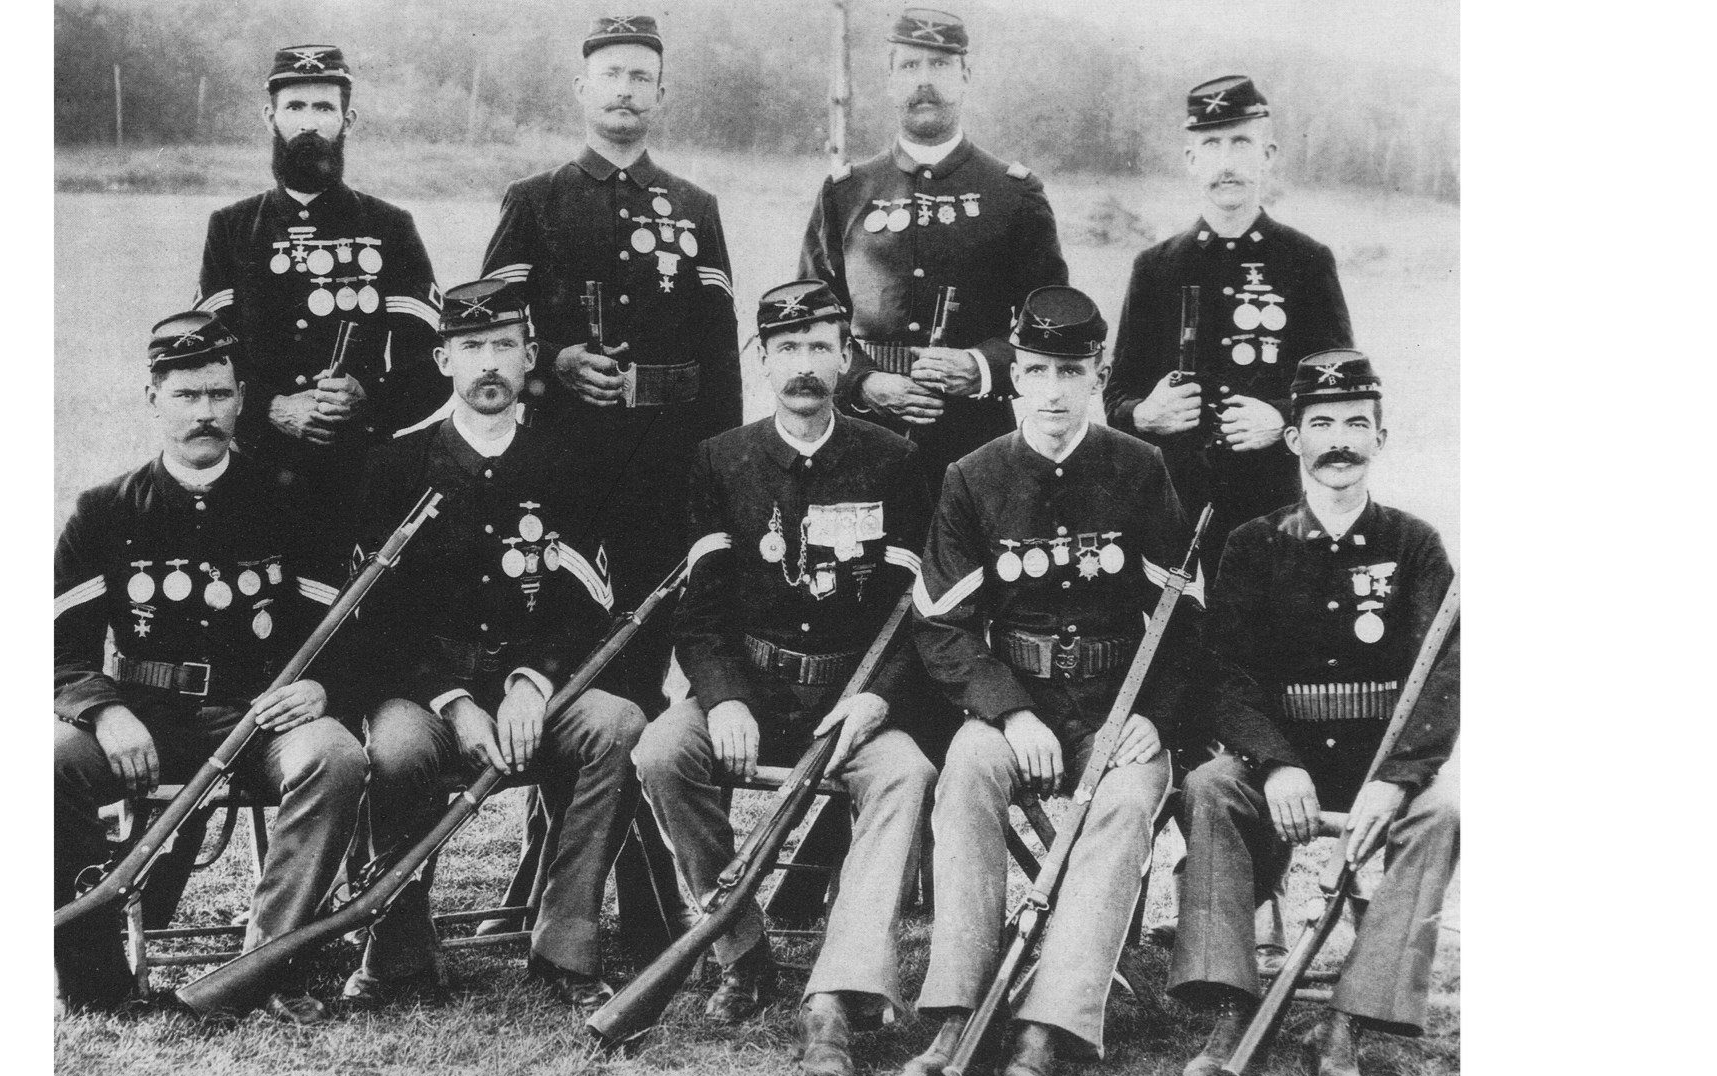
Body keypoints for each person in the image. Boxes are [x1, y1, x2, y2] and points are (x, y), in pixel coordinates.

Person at [633, 281, 936, 1076]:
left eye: (820, 347)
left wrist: (879, 699)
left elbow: (917, 615)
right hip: (752, 691)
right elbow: (698, 616)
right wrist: (725, 696)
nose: (804, 366)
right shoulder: (720, 460)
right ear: (761, 360)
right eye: (787, 349)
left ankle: (837, 991)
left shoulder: (896, 461)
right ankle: (742, 953)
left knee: (906, 773)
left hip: (856, 699)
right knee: (664, 751)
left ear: (846, 357)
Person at [902, 287, 1198, 1076]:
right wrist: (1007, 712)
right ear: (1015, 378)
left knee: (1127, 800)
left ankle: (1049, 1026)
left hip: (1118, 704)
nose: (1056, 391)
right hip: (1016, 704)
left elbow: (1184, 618)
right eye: (1037, 371)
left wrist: (1155, 720)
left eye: (1072, 371)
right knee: (965, 773)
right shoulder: (973, 476)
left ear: (1099, 374)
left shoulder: (1140, 468)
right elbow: (941, 622)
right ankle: (955, 1013)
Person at [340, 280, 647, 1011]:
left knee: (617, 727)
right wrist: (452, 701)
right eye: (471, 347)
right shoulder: (395, 465)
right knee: (396, 753)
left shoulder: (567, 461)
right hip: (426, 693)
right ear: (443, 358)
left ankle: (565, 944)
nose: (487, 364)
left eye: (503, 346)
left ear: (530, 356)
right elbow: (377, 619)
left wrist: (530, 683)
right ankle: (399, 952)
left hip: (534, 695)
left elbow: (587, 604)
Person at [53, 311, 368, 1023]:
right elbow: (58, 648)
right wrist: (105, 711)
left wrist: (323, 686)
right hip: (143, 719)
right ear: (152, 399)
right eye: (187, 395)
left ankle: (269, 965)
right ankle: (95, 979)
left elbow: (344, 632)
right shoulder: (104, 511)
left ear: (242, 399)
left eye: (219, 395)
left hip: (260, 719)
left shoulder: (293, 501)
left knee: (334, 756)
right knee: (53, 763)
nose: (205, 412)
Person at [1168, 350, 1459, 1076]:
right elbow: (1224, 672)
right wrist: (1275, 761)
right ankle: (1230, 1010)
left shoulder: (1414, 545)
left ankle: (1345, 1023)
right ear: (1293, 438)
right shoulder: (1253, 544)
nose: (1339, 441)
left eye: (1357, 424)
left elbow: (1444, 675)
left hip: (1377, 763)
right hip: (1281, 762)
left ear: (1380, 440)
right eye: (1320, 423)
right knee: (1209, 787)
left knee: (1443, 811)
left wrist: (1397, 779)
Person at [481, 14, 740, 715]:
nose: (624, 91)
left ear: (662, 95)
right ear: (581, 87)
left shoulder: (695, 207)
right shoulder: (536, 201)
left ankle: (633, 813)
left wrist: (722, 468)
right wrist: (553, 365)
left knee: (651, 624)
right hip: (564, 456)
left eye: (640, 78)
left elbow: (721, 350)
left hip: (667, 457)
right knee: (562, 628)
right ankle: (561, 807)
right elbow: (491, 333)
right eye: (611, 75)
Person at [799, 6, 1068, 495]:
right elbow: (811, 321)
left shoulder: (1014, 194)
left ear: (966, 76)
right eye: (909, 66)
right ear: (888, 81)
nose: (925, 81)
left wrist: (982, 367)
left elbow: (1050, 328)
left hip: (977, 443)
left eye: (940, 65)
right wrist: (863, 383)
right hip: (859, 438)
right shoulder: (845, 192)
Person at [193, 44, 444, 551]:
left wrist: (368, 401)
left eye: (324, 108)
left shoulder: (391, 227)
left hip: (361, 473)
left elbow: (434, 363)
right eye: (295, 107)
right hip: (255, 471)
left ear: (347, 119)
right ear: (271, 117)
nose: (309, 124)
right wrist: (270, 406)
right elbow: (206, 359)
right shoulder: (231, 228)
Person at [1103, 75, 1353, 582]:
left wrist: (1281, 419)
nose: (1227, 161)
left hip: (1273, 514)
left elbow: (1342, 394)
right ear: (1191, 160)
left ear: (1269, 154)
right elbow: (1116, 399)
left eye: (1241, 142)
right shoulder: (1155, 267)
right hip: (1170, 513)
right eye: (1211, 144)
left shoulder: (1306, 261)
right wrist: (1146, 414)